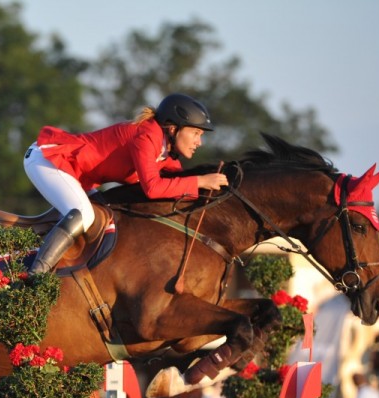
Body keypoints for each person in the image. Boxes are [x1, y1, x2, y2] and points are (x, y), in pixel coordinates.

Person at [23, 92, 228, 273]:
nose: (199, 142)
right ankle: (36, 275)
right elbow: (153, 188)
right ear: (173, 129)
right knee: (84, 214)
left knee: (105, 215)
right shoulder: (146, 137)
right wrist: (200, 180)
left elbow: (177, 184)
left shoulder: (166, 154)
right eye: (196, 133)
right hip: (48, 159)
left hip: (72, 172)